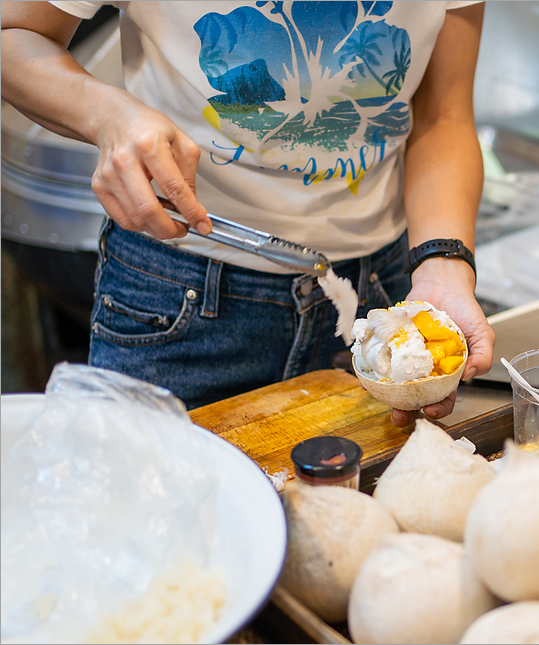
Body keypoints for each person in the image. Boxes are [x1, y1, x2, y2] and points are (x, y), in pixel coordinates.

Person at [1, 0, 494, 426]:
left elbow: (443, 117)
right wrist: (109, 115)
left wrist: (444, 268)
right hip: (178, 293)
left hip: (377, 295)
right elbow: (14, 33)